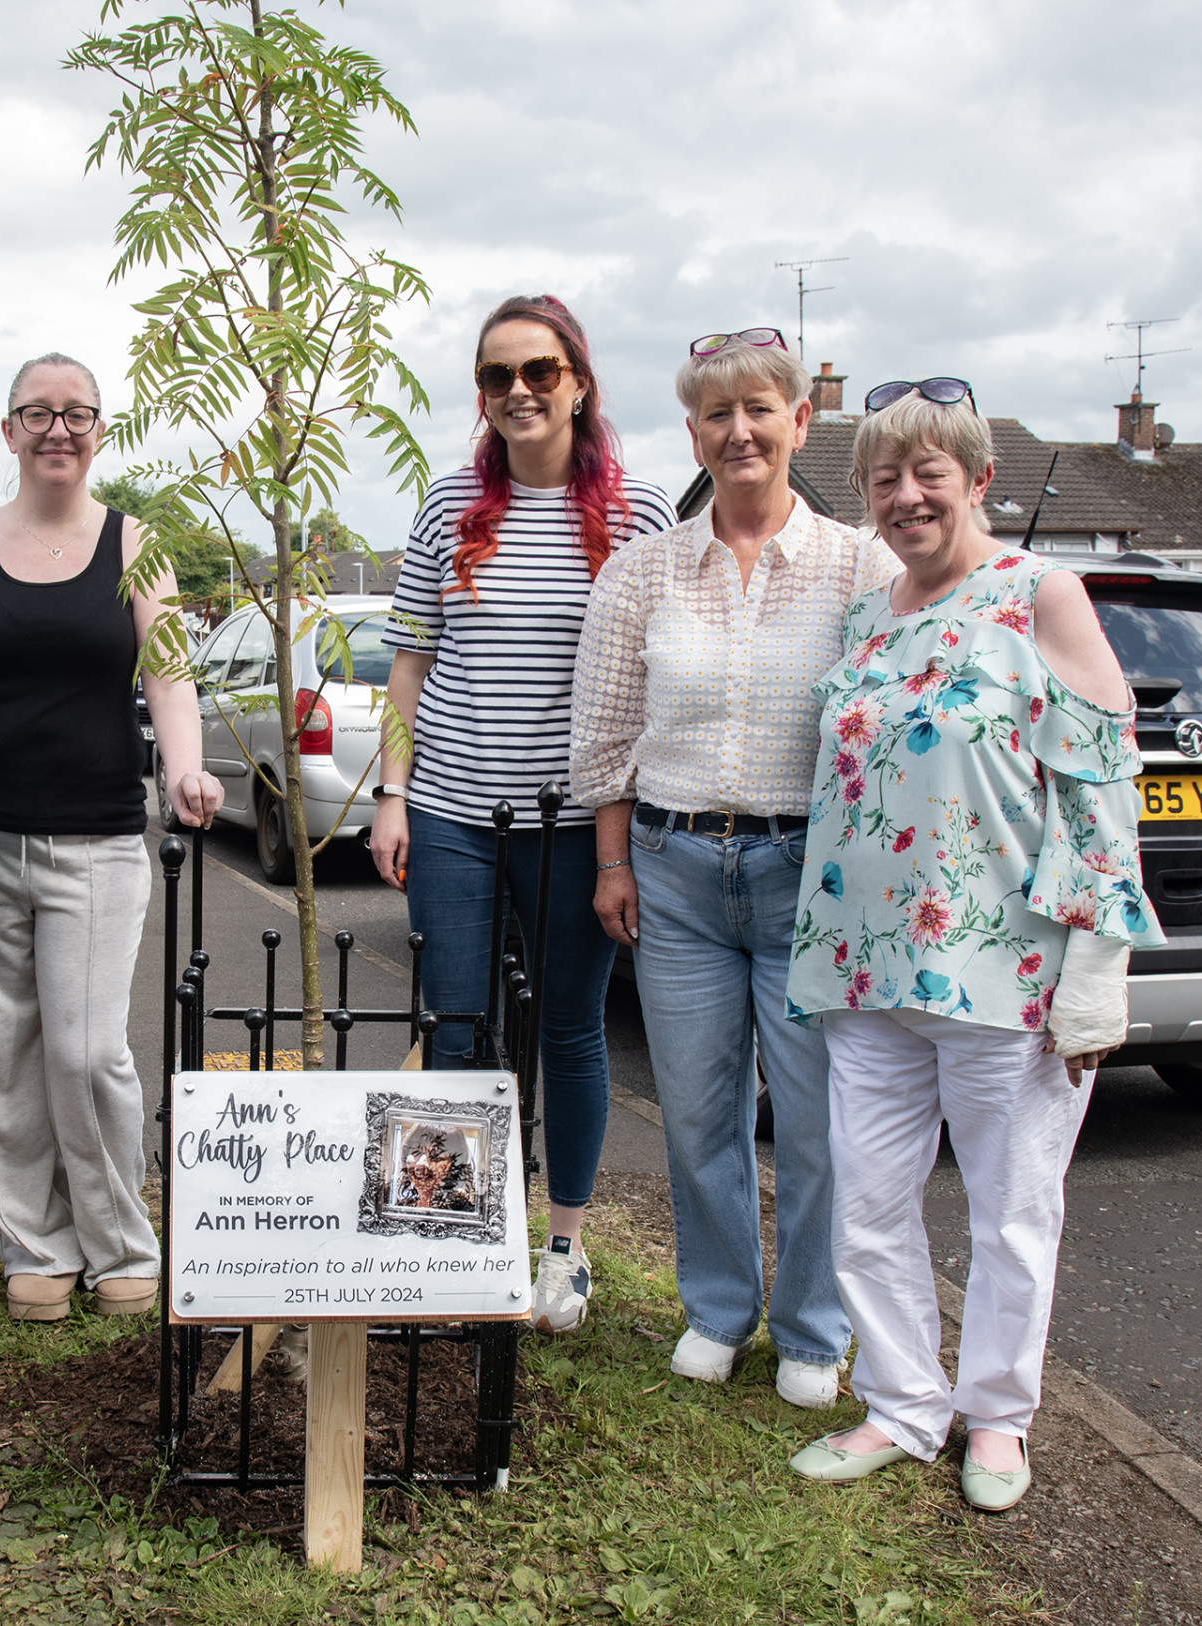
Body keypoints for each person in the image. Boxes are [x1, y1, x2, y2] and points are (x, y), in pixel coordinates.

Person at [782, 379, 1162, 1511]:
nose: (905, 498)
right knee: (867, 1201)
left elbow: (1102, 783)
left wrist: (1098, 969)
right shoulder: (868, 615)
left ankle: (997, 1419)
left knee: (1009, 1209)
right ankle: (903, 1404)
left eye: (928, 475)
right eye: (884, 480)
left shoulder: (1039, 593)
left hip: (1011, 974)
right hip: (864, 967)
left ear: (978, 480)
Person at [568, 330, 896, 1407]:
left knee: (812, 1119)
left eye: (761, 409)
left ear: (801, 423)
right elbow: (608, 734)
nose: (739, 431)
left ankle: (812, 1326)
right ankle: (718, 1308)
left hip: (813, 874)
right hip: (672, 868)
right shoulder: (644, 570)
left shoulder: (862, 565)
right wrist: (613, 865)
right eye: (717, 414)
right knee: (700, 1110)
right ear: (694, 433)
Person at [371, 295, 676, 1334]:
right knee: (457, 1027)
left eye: (539, 371)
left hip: (574, 821)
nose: (518, 393)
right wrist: (391, 794)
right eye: (497, 376)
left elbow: (652, 681)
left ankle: (564, 1248)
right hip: (454, 810)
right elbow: (409, 662)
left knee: (569, 1031)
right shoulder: (450, 502)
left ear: (579, 382)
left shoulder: (637, 516)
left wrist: (623, 836)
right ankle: (451, 1243)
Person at [0, 352, 222, 1322]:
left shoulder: (137, 547)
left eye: (77, 413)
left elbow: (170, 679)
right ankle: (35, 1246)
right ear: (7, 431)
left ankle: (119, 1244)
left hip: (93, 843)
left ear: (100, 431)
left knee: (88, 1053)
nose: (58, 429)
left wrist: (185, 768)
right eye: (37, 413)